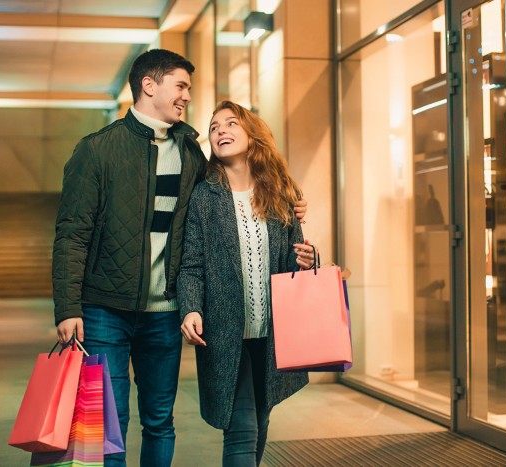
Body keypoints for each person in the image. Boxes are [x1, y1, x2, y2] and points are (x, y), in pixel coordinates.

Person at [52, 50, 307, 467]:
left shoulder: (191, 154)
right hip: (104, 309)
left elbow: (239, 195)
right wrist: (68, 307)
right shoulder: (97, 151)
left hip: (164, 313)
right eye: (181, 85)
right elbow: (71, 235)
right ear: (149, 85)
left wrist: (292, 203)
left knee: (159, 422)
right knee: (108, 423)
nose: (187, 96)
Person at [178, 100, 316, 466]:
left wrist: (307, 260)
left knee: (260, 419)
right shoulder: (204, 197)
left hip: (272, 333)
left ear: (252, 134)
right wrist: (191, 307)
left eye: (231, 123)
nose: (220, 130)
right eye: (214, 126)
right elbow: (191, 264)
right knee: (241, 430)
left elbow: (292, 263)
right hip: (225, 334)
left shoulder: (280, 193)